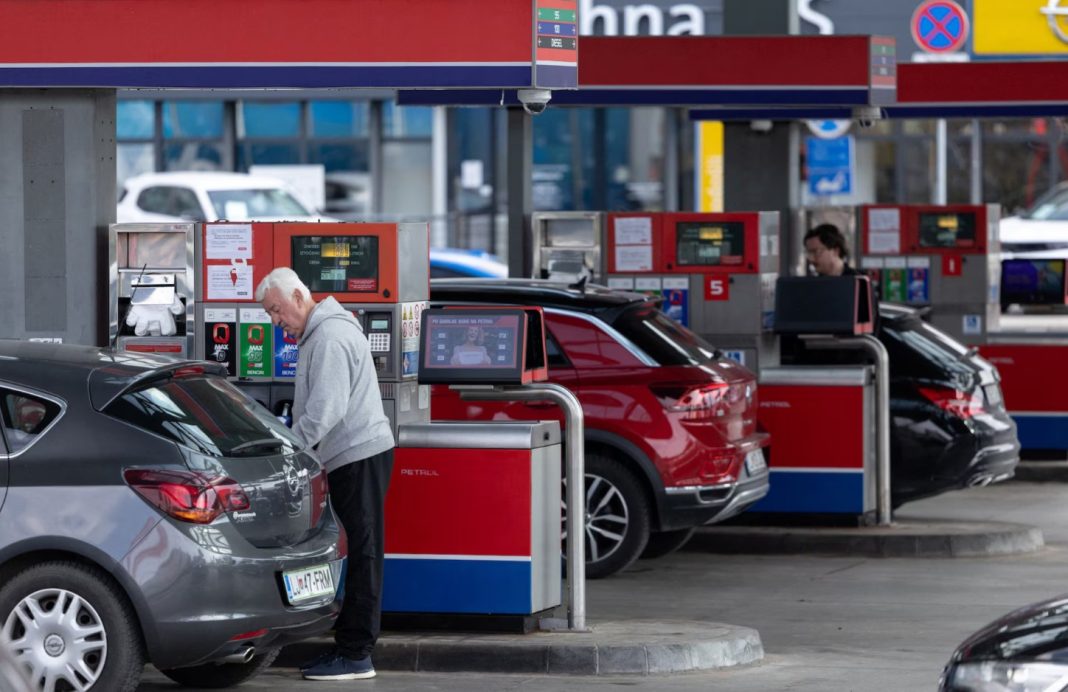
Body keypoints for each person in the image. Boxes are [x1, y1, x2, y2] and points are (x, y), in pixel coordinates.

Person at [256, 267, 395, 682]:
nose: (275, 321)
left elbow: (325, 411)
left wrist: (289, 449)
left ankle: (356, 655)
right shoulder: (321, 332)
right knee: (358, 550)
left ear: (299, 297)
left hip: (357, 455)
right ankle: (349, 648)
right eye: (269, 314)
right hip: (352, 455)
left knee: (364, 553)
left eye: (276, 310)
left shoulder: (330, 337)